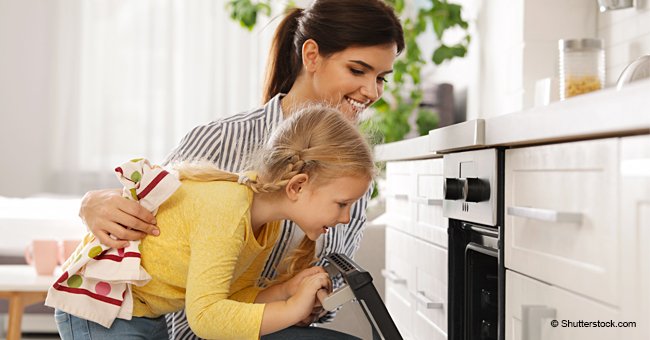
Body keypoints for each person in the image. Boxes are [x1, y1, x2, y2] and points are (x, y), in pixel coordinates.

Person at [78, 0, 404, 338]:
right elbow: (147, 232)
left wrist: (309, 298)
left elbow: (323, 297)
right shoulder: (220, 140)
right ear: (311, 56)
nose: (371, 91)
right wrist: (91, 204)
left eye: (381, 78)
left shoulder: (350, 176)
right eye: (357, 70)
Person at [54, 106, 375, 339]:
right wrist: (291, 310)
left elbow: (234, 297)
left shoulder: (266, 222)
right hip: (102, 307)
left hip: (143, 311)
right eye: (341, 203)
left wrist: (286, 291)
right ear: (298, 186)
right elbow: (206, 318)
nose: (345, 217)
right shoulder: (230, 210)